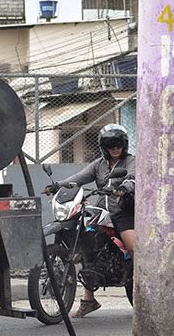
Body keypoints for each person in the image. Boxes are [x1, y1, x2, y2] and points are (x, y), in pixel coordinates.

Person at [43, 123, 135, 317]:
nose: (115, 148)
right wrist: (58, 186)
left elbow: (134, 178)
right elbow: (78, 178)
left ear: (124, 144)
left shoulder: (131, 161)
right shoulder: (99, 165)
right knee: (87, 245)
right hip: (101, 211)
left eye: (118, 143)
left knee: (135, 249)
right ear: (104, 146)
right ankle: (89, 301)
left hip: (124, 212)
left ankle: (145, 290)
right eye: (110, 144)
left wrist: (124, 188)